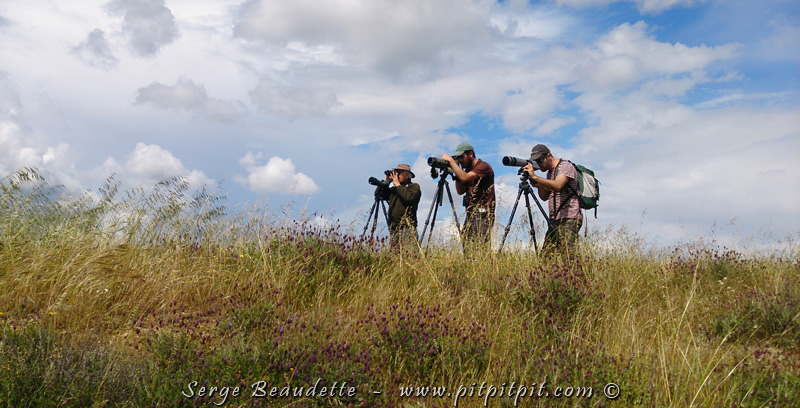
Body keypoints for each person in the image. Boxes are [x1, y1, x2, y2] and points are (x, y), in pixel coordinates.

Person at [522, 144, 582, 257]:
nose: (539, 164)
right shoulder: (550, 173)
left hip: (569, 217)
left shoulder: (565, 166)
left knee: (568, 256)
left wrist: (535, 177)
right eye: (536, 162)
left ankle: (576, 269)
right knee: (546, 257)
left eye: (540, 160)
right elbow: (545, 197)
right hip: (554, 219)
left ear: (548, 156)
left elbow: (558, 185)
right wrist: (539, 185)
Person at [441, 142, 495, 247]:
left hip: (483, 214)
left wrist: (451, 161)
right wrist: (456, 171)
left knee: (480, 247)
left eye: (462, 157)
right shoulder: (467, 170)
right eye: (458, 158)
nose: (460, 160)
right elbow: (460, 191)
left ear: (470, 154)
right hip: (470, 214)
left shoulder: (483, 166)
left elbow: (465, 177)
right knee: (467, 247)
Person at [384, 164, 421, 249]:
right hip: (394, 229)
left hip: (407, 228)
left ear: (407, 175)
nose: (397, 176)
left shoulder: (414, 187)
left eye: (399, 173)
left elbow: (409, 198)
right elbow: (378, 195)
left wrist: (397, 184)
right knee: (395, 255)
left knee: (409, 254)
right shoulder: (394, 190)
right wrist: (386, 180)